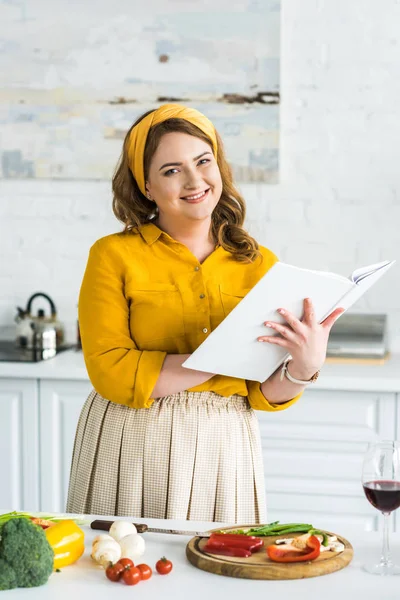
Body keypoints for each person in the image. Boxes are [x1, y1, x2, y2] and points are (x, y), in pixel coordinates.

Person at [66, 104, 343, 523]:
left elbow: (260, 392)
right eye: (172, 170)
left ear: (219, 167)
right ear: (146, 185)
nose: (194, 181)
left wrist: (302, 369)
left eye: (203, 161)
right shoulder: (112, 255)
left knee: (220, 574)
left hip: (225, 443)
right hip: (132, 440)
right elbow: (110, 370)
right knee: (122, 572)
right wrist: (224, 363)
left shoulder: (260, 264)